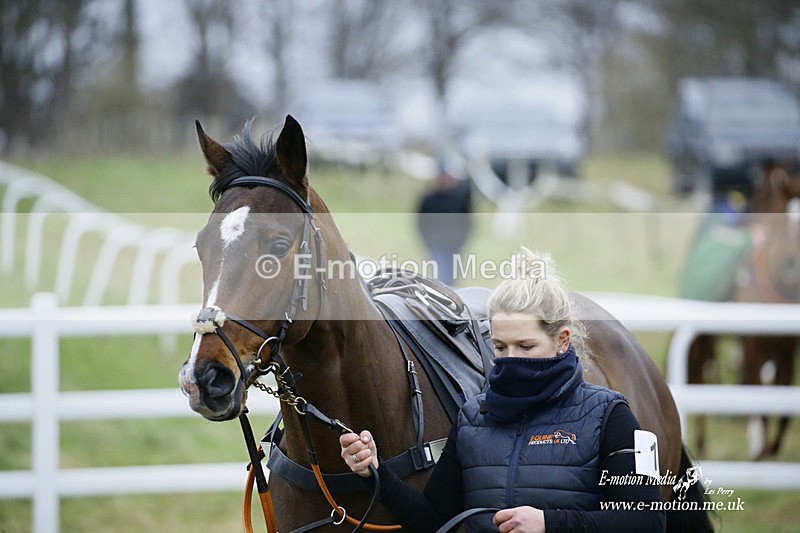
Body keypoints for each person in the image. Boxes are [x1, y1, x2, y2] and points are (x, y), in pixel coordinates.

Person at [340, 249, 666, 532]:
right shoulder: (472, 418)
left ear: (562, 341)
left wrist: (549, 523)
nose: (511, 359)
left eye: (525, 346)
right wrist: (376, 472)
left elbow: (648, 521)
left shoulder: (611, 415)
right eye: (500, 346)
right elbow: (435, 522)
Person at [416, 157, 472, 286]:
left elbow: (467, 221)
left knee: (453, 277)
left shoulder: (459, 198)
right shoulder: (429, 199)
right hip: (436, 244)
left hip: (455, 244)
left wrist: (462, 239)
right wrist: (428, 241)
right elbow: (421, 222)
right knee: (441, 278)